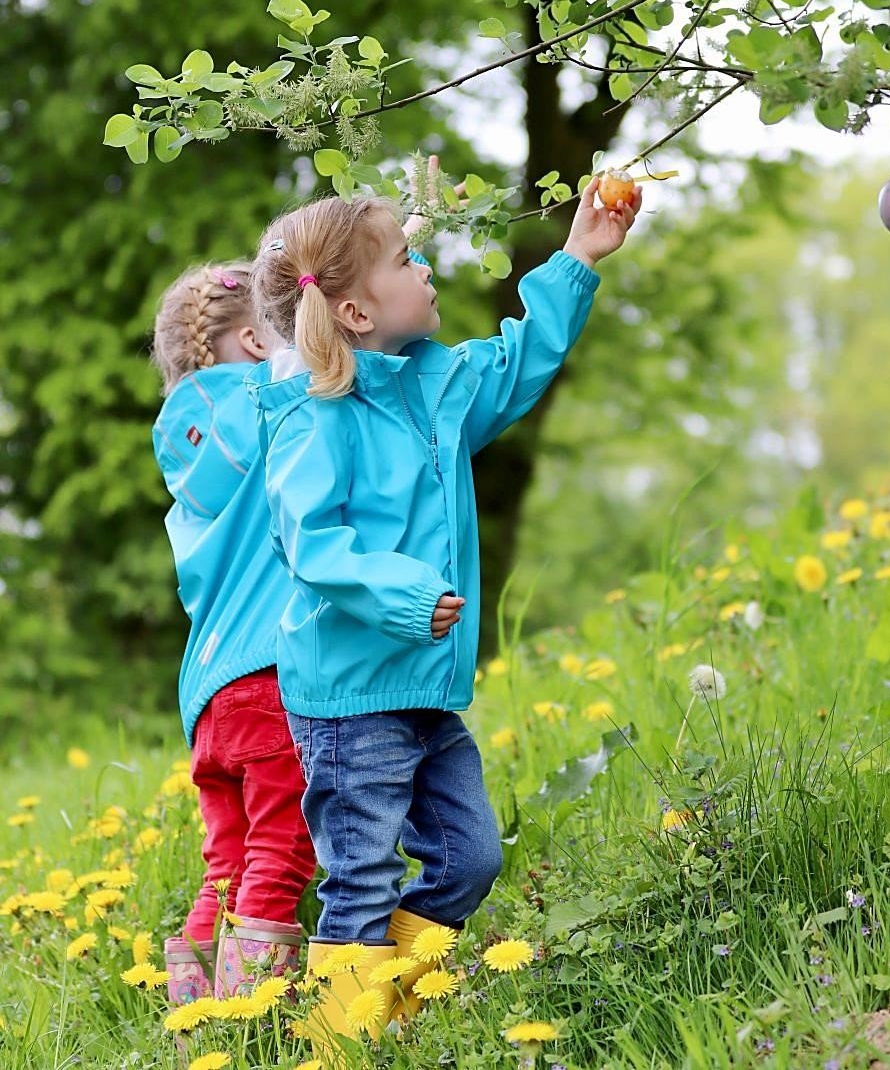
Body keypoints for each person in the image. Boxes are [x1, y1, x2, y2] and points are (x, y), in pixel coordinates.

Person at [246, 175, 638, 1049]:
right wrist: (410, 595)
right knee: (362, 879)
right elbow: (315, 546)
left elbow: (518, 360)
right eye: (405, 260)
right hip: (350, 700)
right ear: (353, 310)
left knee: (470, 858)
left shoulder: (438, 385)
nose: (427, 269)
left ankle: (392, 1009)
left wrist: (577, 257)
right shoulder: (314, 418)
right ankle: (337, 1049)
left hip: (422, 690)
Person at [151, 261, 316, 1002]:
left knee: (230, 861)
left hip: (208, 692)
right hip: (269, 673)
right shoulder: (269, 401)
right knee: (283, 848)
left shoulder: (181, 443)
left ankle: (191, 1007)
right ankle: (251, 1015)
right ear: (253, 338)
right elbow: (325, 376)